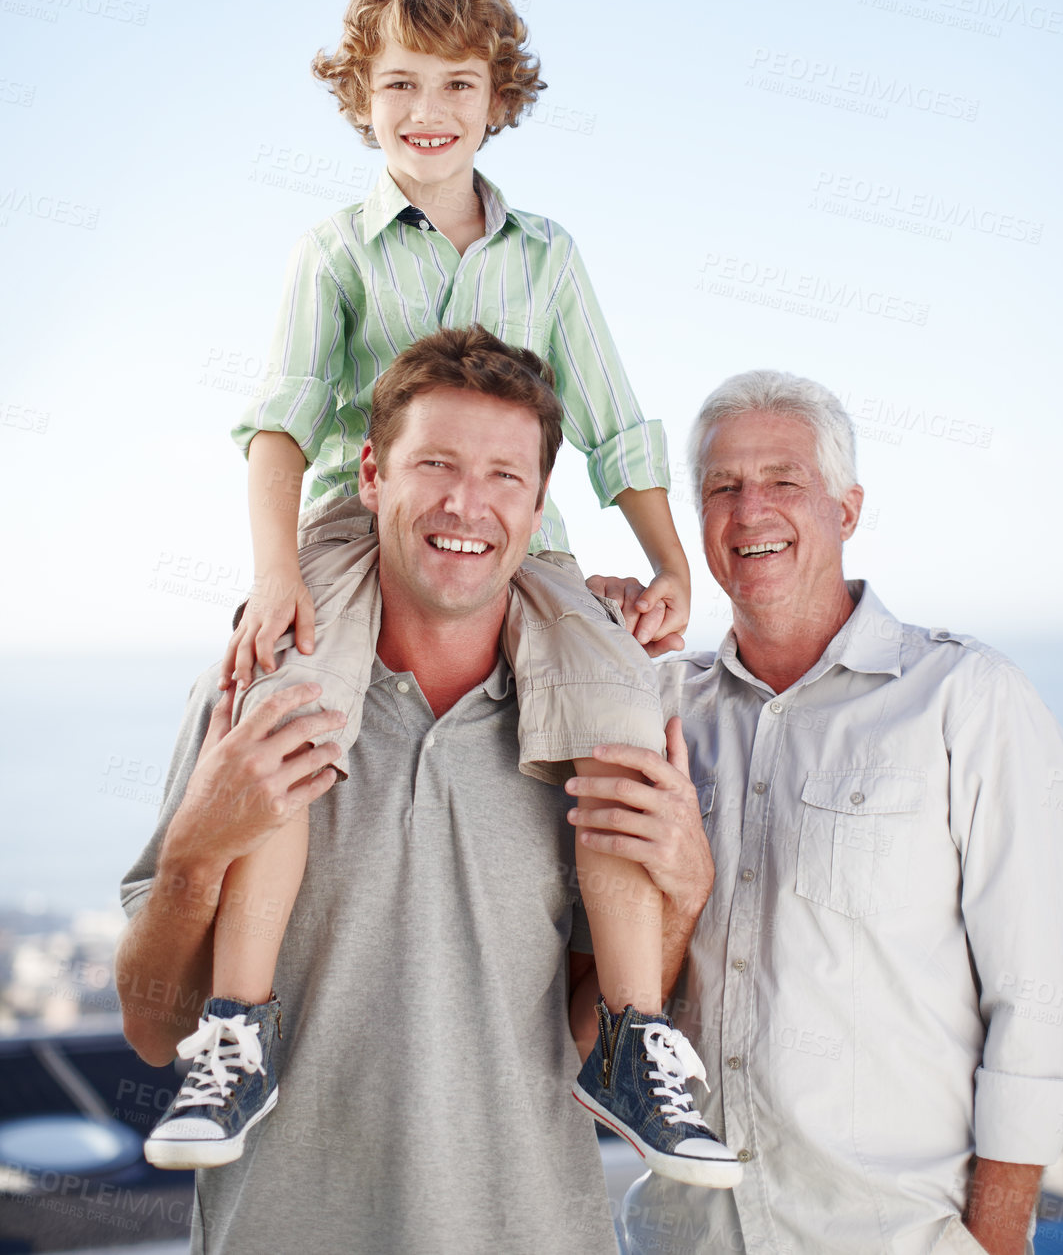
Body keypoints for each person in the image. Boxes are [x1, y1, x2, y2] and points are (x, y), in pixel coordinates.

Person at [138, 0, 737, 1183]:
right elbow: (282, 426)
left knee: (623, 706)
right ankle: (238, 1030)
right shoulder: (334, 251)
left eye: (457, 82)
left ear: (497, 98)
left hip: (531, 548)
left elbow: (616, 419)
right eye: (400, 81)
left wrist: (669, 561)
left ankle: (632, 1037)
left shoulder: (549, 257)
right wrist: (271, 575)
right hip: (359, 538)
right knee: (291, 704)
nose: (429, 107)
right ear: (359, 97)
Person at [116, 331, 727, 1255]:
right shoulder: (252, 694)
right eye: (433, 463)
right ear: (370, 474)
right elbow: (154, 1032)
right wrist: (198, 851)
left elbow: (572, 1033)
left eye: (503, 478)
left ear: (537, 507)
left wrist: (683, 894)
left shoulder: (588, 726)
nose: (465, 505)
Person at [574, 369, 1063, 1255]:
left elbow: (1045, 998)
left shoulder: (965, 700)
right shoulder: (655, 711)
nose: (750, 513)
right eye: (721, 489)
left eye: (784, 482)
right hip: (687, 1236)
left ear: (847, 510)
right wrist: (585, 627)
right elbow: (595, 1024)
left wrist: (998, 1241)